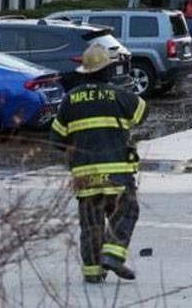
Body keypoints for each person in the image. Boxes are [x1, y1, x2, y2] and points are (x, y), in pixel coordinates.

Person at [51, 44, 148, 284]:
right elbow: (142, 113)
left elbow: (57, 139)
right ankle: (113, 254)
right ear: (107, 70)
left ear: (85, 71)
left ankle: (93, 273)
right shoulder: (118, 95)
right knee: (127, 210)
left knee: (91, 224)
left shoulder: (70, 99)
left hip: (85, 175)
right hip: (117, 172)